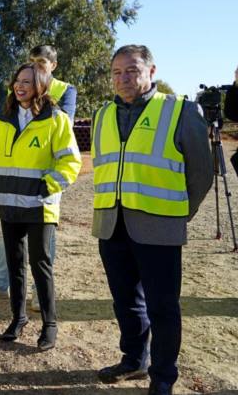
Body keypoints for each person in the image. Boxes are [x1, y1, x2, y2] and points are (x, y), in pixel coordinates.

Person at [92, 45, 212, 395]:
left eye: (131, 70)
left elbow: (202, 173)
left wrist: (177, 213)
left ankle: (163, 378)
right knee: (124, 301)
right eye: (116, 72)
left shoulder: (180, 111)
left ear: (151, 71)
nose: (123, 78)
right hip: (111, 224)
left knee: (162, 307)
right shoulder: (101, 115)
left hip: (160, 227)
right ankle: (133, 360)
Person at [0, 44, 77, 310]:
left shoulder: (65, 91)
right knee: (6, 239)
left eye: (41, 62)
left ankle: (37, 292)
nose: (36, 65)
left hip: (43, 183)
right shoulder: (18, 88)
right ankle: (0, 284)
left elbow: (62, 130)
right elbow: (2, 125)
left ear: (53, 66)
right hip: (12, 185)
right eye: (32, 60)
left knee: (43, 245)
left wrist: (47, 185)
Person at [0, 63, 81, 351]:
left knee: (40, 264)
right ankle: (18, 319)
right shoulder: (4, 118)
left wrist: (48, 185)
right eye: (17, 80)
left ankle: (49, 325)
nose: (20, 85)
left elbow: (71, 162)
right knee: (14, 264)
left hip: (40, 205)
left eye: (27, 81)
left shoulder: (56, 119)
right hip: (9, 204)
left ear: (40, 85)